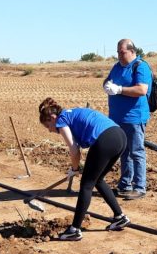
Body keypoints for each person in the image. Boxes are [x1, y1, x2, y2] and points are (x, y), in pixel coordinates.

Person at [38, 97, 130, 242]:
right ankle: (119, 217)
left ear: (53, 117)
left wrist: (75, 169)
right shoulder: (71, 112)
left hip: (105, 139)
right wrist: (76, 167)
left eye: (48, 125)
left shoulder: (61, 120)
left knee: (86, 185)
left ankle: (74, 230)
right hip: (119, 136)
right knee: (97, 180)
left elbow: (74, 150)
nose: (49, 130)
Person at [103, 39, 152, 200]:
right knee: (124, 152)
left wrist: (119, 89)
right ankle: (125, 185)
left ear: (131, 51)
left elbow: (141, 89)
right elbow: (107, 81)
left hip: (134, 117)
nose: (119, 55)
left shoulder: (140, 66)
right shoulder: (117, 67)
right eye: (117, 52)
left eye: (121, 52)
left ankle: (139, 187)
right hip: (117, 118)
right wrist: (107, 86)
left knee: (136, 151)